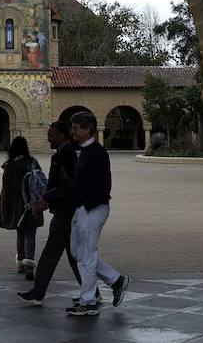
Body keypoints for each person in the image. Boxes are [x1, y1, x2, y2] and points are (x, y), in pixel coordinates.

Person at [64, 111, 130, 316]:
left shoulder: (97, 152)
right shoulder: (86, 150)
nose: (73, 132)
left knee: (87, 255)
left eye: (76, 128)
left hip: (93, 209)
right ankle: (116, 279)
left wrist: (89, 204)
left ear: (88, 130)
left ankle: (88, 301)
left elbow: (103, 183)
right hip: (83, 209)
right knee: (78, 252)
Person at [15, 121, 86, 306]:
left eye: (51, 136)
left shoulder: (65, 154)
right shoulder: (63, 153)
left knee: (50, 254)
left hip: (66, 211)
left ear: (62, 136)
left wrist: (45, 199)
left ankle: (38, 293)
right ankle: (92, 291)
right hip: (66, 210)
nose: (48, 139)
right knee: (73, 255)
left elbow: (67, 185)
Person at [0, 136, 43, 280]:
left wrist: (4, 208)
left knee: (20, 233)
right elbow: (41, 182)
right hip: (32, 203)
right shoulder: (32, 162)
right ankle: (29, 265)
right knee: (30, 233)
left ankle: (21, 263)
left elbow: (5, 190)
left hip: (16, 205)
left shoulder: (9, 166)